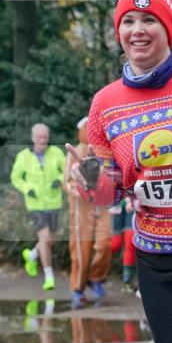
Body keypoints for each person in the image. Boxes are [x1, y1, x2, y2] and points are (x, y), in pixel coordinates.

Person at [67, 0, 172, 343]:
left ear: (168, 28)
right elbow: (110, 193)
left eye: (149, 19)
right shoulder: (106, 104)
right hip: (155, 260)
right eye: (129, 21)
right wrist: (90, 181)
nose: (138, 29)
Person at [10, 123, 65, 291]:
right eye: (39, 137)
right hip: (35, 204)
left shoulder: (56, 153)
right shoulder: (24, 156)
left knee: (51, 240)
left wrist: (60, 180)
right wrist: (27, 188)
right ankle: (49, 277)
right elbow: (15, 177)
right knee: (45, 239)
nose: (43, 140)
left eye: (45, 137)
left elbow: (68, 170)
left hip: (54, 203)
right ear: (33, 138)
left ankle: (32, 255)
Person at [65, 117, 112, 308]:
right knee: (81, 249)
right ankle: (77, 288)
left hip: (102, 204)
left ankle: (96, 277)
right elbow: (68, 182)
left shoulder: (105, 151)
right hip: (81, 206)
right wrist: (79, 191)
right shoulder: (74, 152)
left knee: (105, 244)